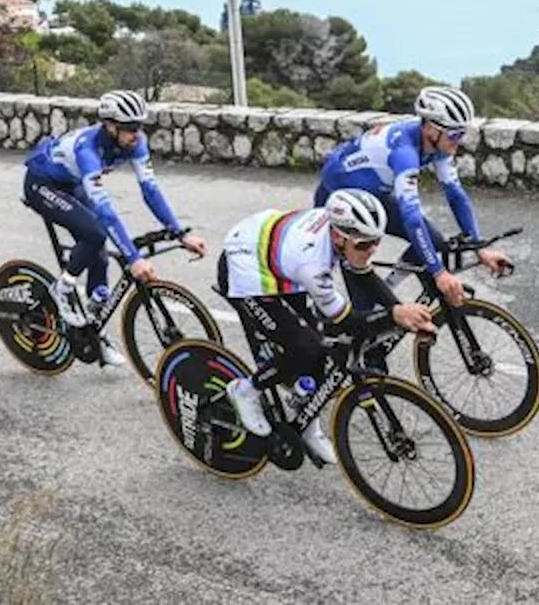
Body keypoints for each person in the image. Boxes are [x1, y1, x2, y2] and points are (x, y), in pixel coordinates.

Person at [218, 188, 437, 465]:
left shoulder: (345, 232)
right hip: (247, 274)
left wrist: (400, 312)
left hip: (276, 258)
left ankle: (308, 424)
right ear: (337, 236)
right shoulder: (312, 263)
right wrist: (396, 316)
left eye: (375, 242)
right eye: (363, 245)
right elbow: (346, 320)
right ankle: (245, 390)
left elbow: (364, 273)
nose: (370, 250)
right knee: (306, 347)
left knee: (323, 344)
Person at [22, 89, 207, 366]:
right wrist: (133, 259)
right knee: (96, 233)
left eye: (140, 126)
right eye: (130, 128)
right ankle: (62, 288)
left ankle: (93, 329)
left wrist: (180, 232)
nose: (137, 133)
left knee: (99, 250)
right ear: (110, 126)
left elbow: (151, 191)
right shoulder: (88, 150)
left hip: (72, 184)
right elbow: (105, 212)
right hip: (42, 183)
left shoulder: (136, 143)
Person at [314, 85, 511, 311]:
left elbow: (456, 196)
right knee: (364, 302)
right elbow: (411, 217)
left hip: (371, 194)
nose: (459, 140)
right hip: (338, 196)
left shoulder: (439, 146)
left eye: (462, 133)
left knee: (434, 241)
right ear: (430, 128)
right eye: (454, 134)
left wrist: (480, 248)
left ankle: (388, 290)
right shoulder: (405, 152)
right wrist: (438, 273)